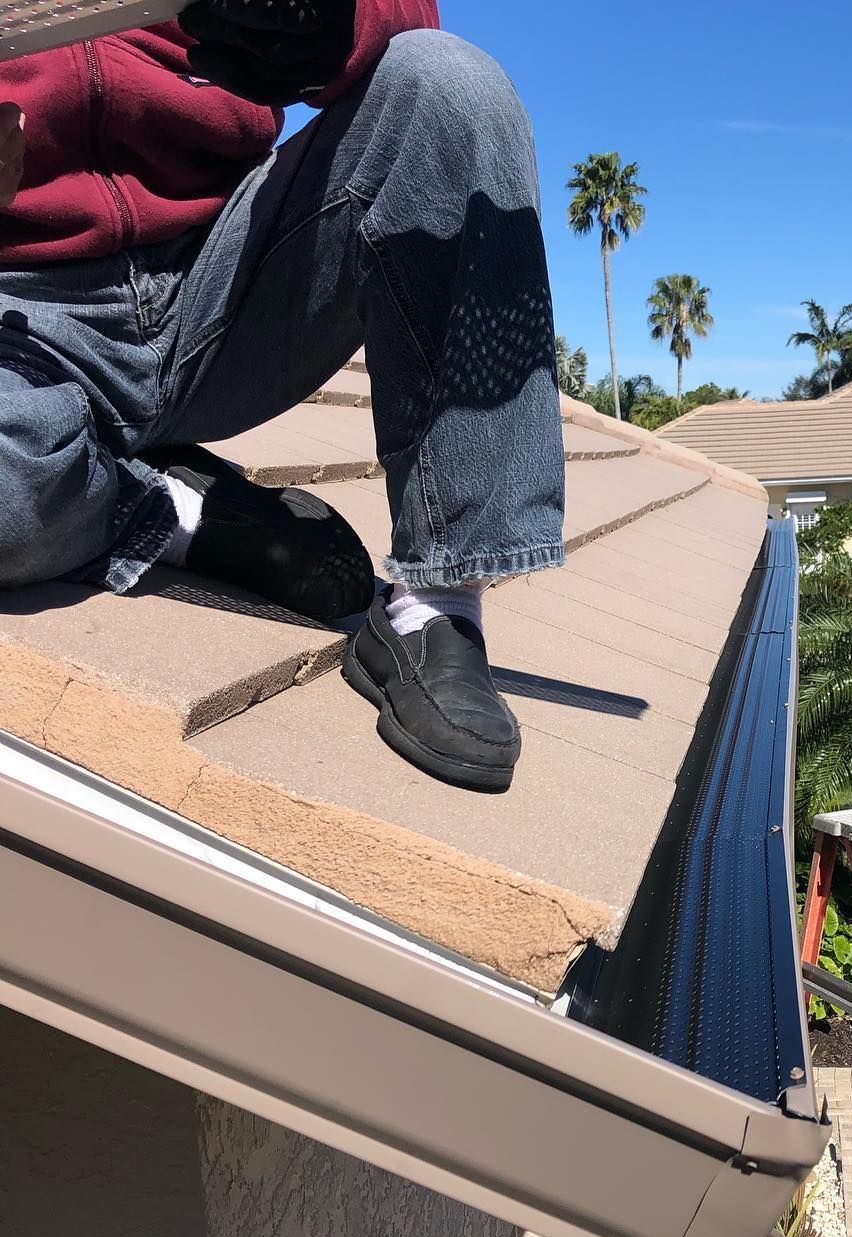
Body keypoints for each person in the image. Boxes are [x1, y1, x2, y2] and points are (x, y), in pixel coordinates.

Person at [0, 0, 566, 793]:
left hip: (225, 273)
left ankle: (437, 603)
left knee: (449, 83)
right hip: (25, 315)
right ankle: (170, 511)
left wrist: (337, 23)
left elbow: (408, 11)